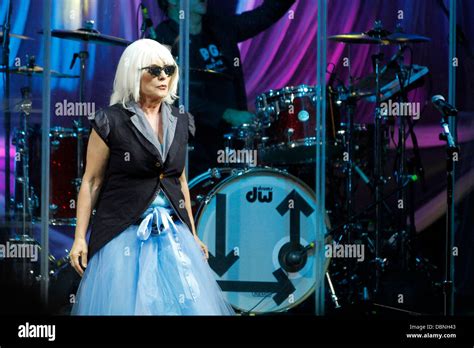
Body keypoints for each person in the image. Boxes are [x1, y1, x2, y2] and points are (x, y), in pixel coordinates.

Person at [69, 39, 235, 315]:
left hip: (172, 235)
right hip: (123, 233)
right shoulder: (110, 120)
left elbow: (179, 181)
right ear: (134, 72)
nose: (163, 77)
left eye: (169, 70)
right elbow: (91, 181)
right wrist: (79, 238)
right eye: (155, 70)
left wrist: (193, 235)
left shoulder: (181, 120)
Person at [154, 0, 295, 177]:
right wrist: (227, 114)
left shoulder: (219, 28)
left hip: (233, 142)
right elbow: (173, 96)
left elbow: (264, 15)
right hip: (195, 149)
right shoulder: (161, 40)